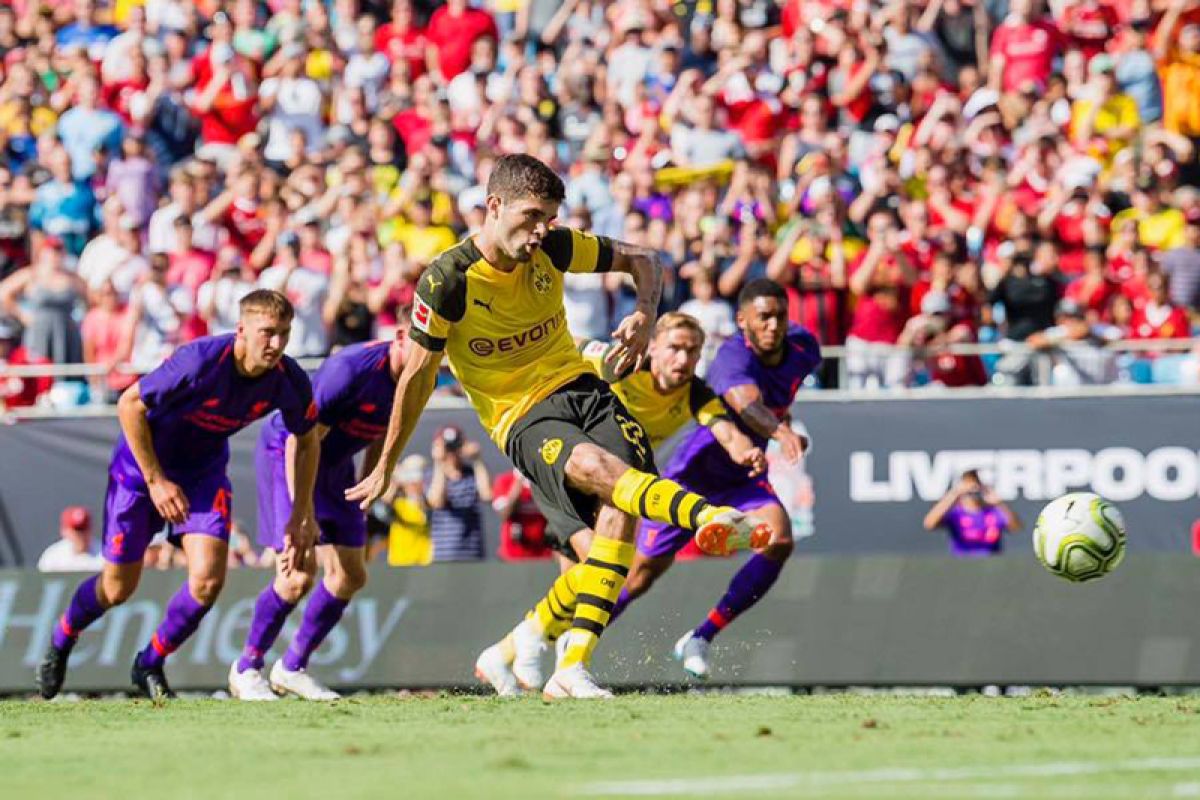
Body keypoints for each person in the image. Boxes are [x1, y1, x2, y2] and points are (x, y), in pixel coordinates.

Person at [347, 154, 770, 699]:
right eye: (530, 216)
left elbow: (645, 258)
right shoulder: (447, 280)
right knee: (597, 473)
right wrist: (385, 463)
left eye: (549, 217)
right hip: (520, 415)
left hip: (582, 388)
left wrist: (644, 314)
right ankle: (709, 516)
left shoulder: (554, 245)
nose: (541, 230)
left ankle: (562, 664)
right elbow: (418, 378)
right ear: (493, 207)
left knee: (618, 520)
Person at [37, 290, 320, 701]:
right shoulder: (201, 360)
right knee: (118, 589)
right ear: (241, 330)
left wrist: (300, 513)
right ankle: (62, 638)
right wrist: (155, 481)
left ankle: (149, 662)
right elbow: (130, 405)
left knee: (207, 580)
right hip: (139, 473)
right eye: (267, 333)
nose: (276, 345)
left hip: (202, 476)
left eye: (284, 334)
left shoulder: (288, 380)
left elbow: (308, 440)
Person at [475, 310, 772, 695]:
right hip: (565, 470)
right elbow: (574, 349)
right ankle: (546, 650)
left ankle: (518, 645)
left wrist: (748, 452)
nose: (682, 360)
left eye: (692, 352)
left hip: (613, 490)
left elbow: (726, 432)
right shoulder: (624, 364)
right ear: (654, 348)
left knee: (599, 571)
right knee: (596, 566)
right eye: (674, 349)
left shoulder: (695, 394)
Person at [230, 337, 405, 702]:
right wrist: (301, 514)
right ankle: (246, 668)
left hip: (336, 467)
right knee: (296, 575)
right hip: (289, 456)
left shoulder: (422, 374)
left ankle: (291, 668)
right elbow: (301, 441)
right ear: (402, 337)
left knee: (350, 575)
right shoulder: (350, 371)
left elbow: (386, 433)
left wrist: (370, 483)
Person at [428, 425, 491, 562]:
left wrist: (477, 459)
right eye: (448, 447)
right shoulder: (432, 476)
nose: (452, 453)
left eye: (455, 447)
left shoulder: (472, 474)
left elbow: (487, 495)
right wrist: (439, 463)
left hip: (472, 554)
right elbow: (437, 502)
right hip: (443, 555)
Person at [923, 470, 1021, 556]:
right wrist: (954, 494)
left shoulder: (994, 512)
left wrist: (1000, 503)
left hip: (991, 566)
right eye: (969, 488)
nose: (973, 492)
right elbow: (929, 524)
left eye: (977, 486)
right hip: (962, 566)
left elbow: (1016, 527)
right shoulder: (956, 513)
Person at [37, 506, 105, 573]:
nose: (81, 535)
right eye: (77, 530)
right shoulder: (53, 556)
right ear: (64, 531)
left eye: (84, 529)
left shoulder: (105, 554)